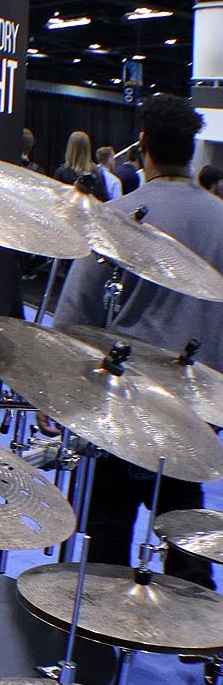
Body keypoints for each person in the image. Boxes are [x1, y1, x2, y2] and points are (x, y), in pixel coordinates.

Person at [52, 94, 222, 590]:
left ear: (143, 144)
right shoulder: (220, 219)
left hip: (123, 402)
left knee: (107, 529)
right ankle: (193, 623)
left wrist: (55, 389)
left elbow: (76, 311)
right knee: (186, 532)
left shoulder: (118, 217)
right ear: (191, 149)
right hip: (196, 405)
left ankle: (102, 623)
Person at [53, 131, 110, 201]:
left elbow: (56, 200)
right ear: (88, 148)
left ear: (70, 148)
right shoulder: (97, 173)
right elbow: (103, 200)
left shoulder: (62, 172)